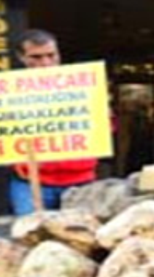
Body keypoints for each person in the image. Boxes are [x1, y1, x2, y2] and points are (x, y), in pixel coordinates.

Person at [10, 29, 98, 215]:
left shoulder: (84, 87)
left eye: (51, 55)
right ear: (21, 57)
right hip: (30, 182)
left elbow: (104, 130)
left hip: (80, 181)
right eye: (36, 57)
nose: (46, 63)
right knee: (30, 231)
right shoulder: (6, 92)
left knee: (80, 233)